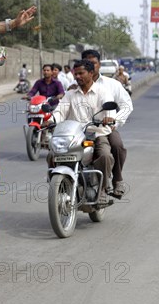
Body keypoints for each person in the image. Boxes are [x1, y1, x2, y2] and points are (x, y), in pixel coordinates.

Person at [49, 59, 116, 204]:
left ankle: (103, 189)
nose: (77, 76)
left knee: (105, 156)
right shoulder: (70, 94)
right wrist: (51, 120)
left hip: (97, 133)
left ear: (91, 73)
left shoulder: (103, 92)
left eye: (81, 73)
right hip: (74, 135)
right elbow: (60, 111)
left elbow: (110, 109)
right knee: (51, 154)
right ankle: (56, 186)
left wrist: (109, 118)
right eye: (76, 73)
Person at [82, 49, 133, 199]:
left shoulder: (112, 85)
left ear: (99, 65)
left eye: (93, 63)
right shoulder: (75, 85)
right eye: (87, 63)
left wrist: (114, 121)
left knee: (116, 145)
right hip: (79, 129)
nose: (90, 66)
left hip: (104, 128)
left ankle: (117, 179)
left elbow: (126, 105)